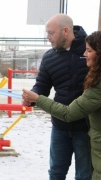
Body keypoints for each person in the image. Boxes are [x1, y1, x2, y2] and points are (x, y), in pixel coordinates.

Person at [22, 31, 101, 180]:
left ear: (64, 31)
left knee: (85, 175)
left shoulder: (93, 73)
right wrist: (32, 97)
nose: (47, 36)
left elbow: (69, 112)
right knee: (56, 172)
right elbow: (41, 85)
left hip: (84, 128)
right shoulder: (49, 57)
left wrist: (38, 99)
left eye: (51, 32)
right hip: (60, 126)